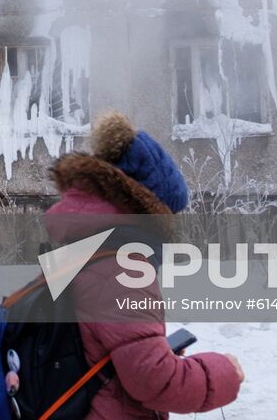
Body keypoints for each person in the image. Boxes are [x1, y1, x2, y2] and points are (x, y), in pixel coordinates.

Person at [43, 110, 245, 419]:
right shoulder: (124, 271)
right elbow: (154, 382)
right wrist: (225, 371)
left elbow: (89, 348)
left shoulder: (80, 252)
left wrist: (146, 349)